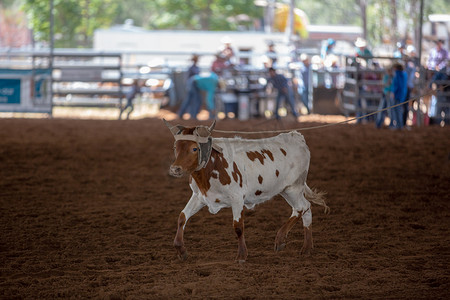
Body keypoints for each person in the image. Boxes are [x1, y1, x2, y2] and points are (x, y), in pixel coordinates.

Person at [389, 63, 408, 129]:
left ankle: (398, 125)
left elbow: (396, 85)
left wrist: (393, 92)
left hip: (397, 94)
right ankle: (400, 125)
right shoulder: (404, 74)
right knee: (399, 110)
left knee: (396, 110)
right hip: (402, 94)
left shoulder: (397, 74)